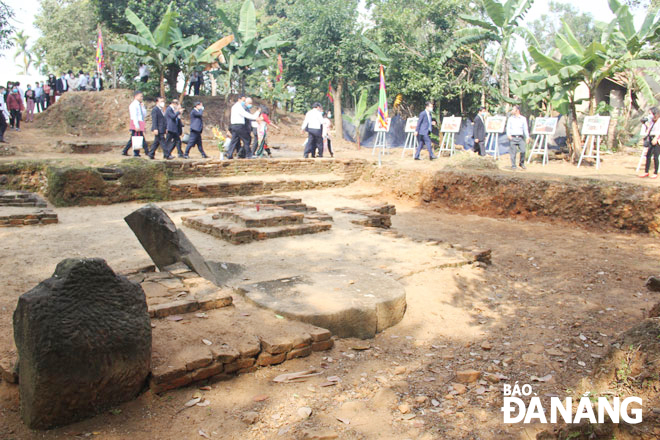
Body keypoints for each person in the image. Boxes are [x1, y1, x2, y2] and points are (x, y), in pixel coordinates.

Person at [121, 90, 147, 157]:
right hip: (136, 123)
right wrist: (136, 125)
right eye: (140, 96)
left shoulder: (140, 105)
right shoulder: (133, 105)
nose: (142, 97)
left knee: (135, 138)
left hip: (140, 122)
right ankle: (138, 152)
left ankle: (125, 151)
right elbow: (134, 116)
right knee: (137, 138)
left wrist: (143, 107)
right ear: (136, 96)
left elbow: (144, 114)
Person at [506, 105, 530, 170]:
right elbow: (508, 127)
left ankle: (521, 163)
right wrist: (508, 135)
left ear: (517, 111)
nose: (512, 111)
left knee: (523, 150)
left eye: (513, 109)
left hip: (520, 137)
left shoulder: (523, 119)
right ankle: (513, 165)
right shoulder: (510, 119)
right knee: (513, 152)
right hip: (513, 137)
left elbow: (525, 129)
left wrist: (527, 137)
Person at [639, 107, 660, 179]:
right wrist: (644, 124)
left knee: (656, 156)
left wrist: (656, 138)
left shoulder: (659, 121)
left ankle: (655, 172)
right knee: (648, 155)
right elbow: (649, 129)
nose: (649, 115)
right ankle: (646, 171)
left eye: (650, 113)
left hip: (657, 139)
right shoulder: (651, 121)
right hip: (650, 138)